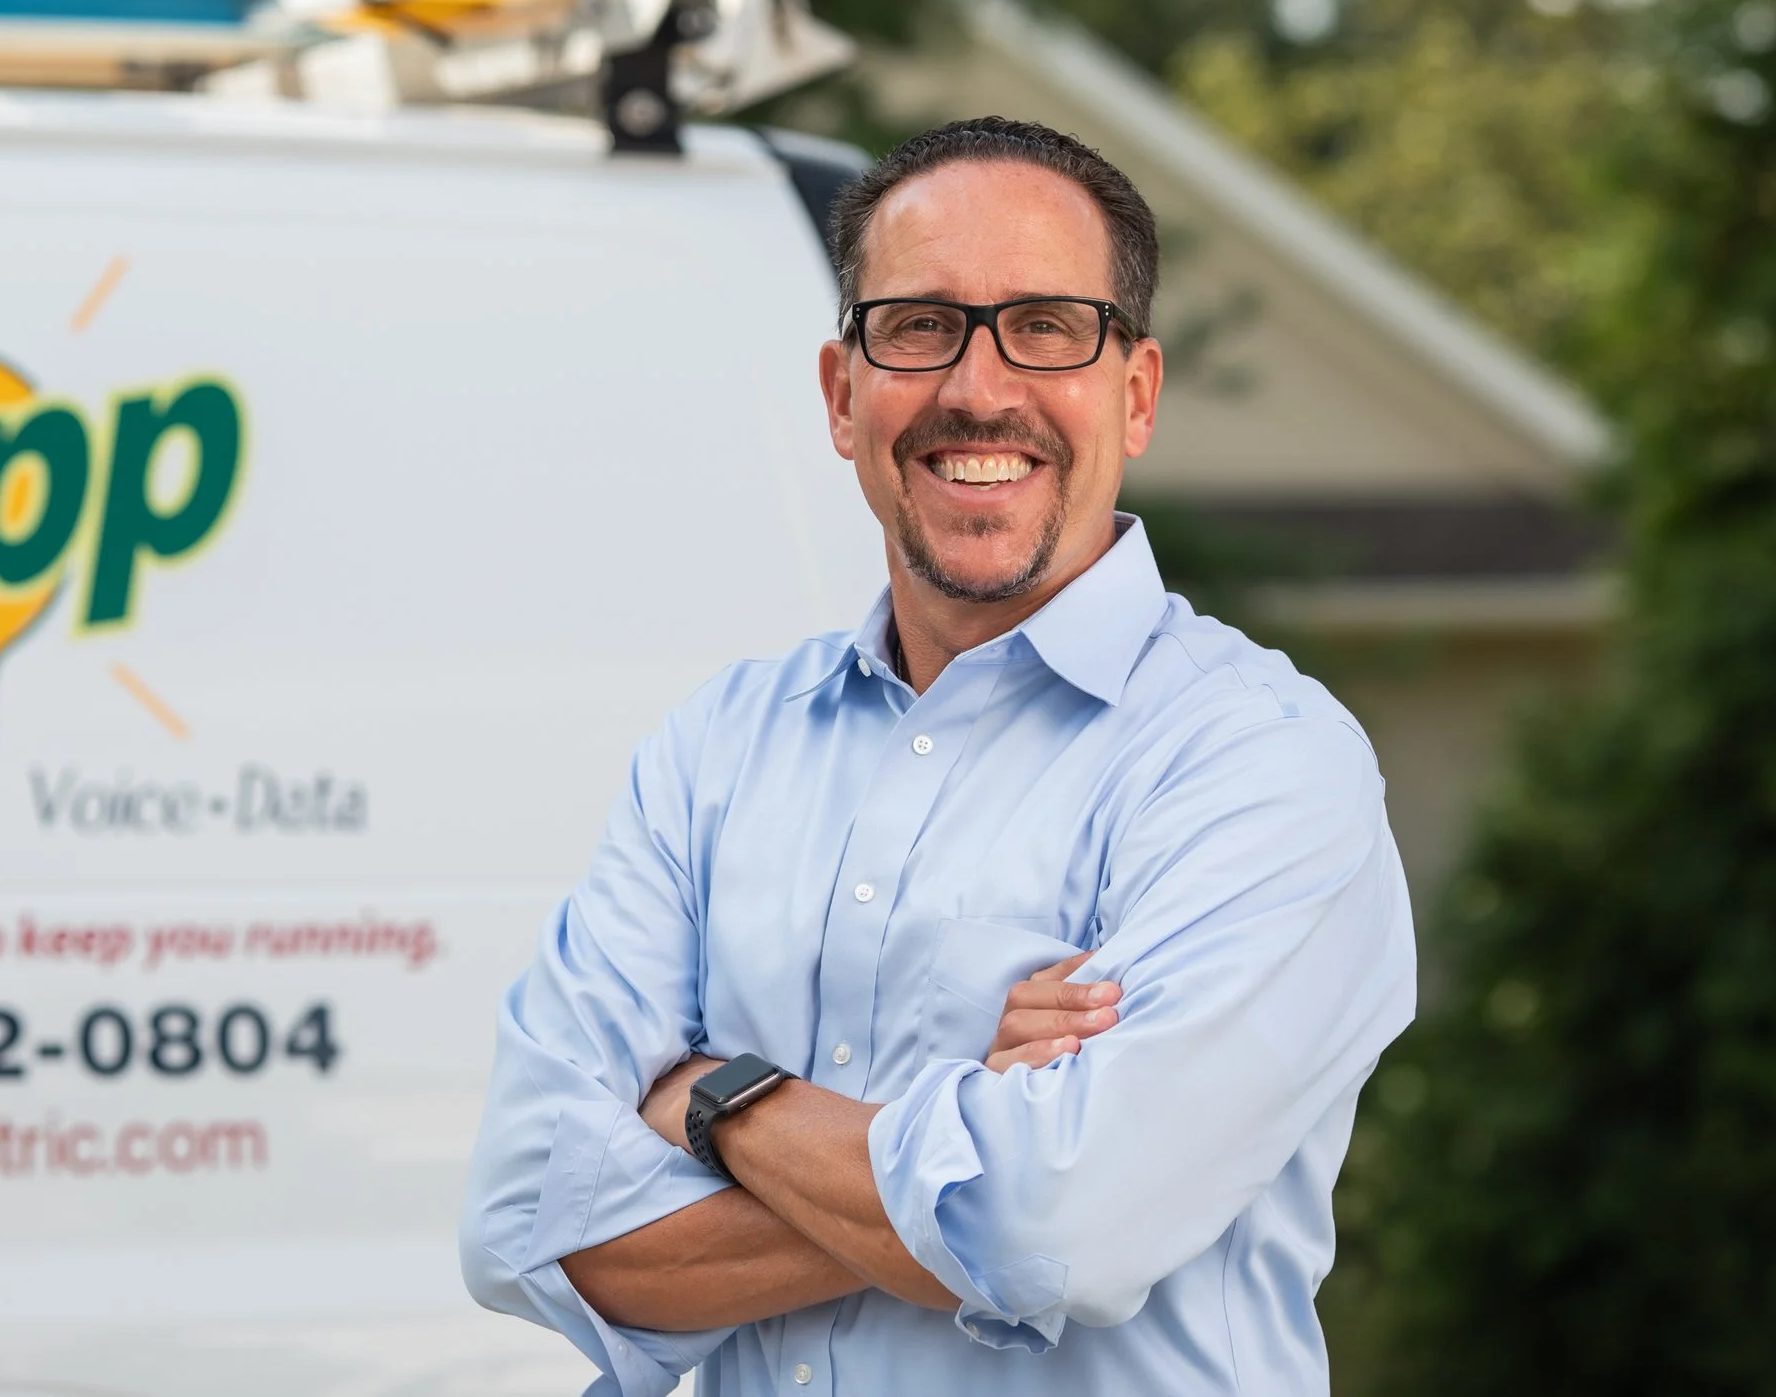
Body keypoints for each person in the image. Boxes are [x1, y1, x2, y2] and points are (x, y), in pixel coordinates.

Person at [458, 117, 1416, 1395]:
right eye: (917, 325)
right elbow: (528, 1225)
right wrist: (971, 1123)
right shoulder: (717, 750)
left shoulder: (1261, 764)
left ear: (1133, 393)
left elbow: (1060, 1230)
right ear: (842, 392)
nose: (978, 385)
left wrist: (712, 1097)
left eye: (1047, 325)